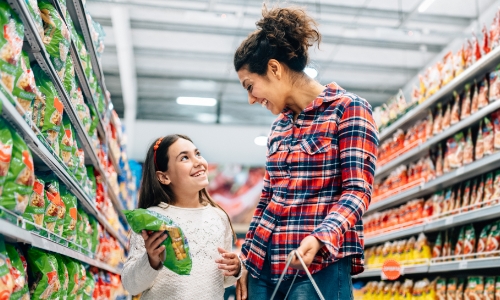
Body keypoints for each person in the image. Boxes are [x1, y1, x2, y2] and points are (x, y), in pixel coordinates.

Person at [233, 5, 379, 300]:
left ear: (274, 69)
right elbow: (267, 199)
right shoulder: (279, 127)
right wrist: (247, 261)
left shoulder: (348, 109)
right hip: (263, 270)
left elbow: (357, 190)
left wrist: (321, 236)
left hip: (317, 264)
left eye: (251, 86)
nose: (250, 99)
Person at [122, 134, 243, 299]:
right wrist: (150, 260)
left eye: (198, 154)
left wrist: (235, 268)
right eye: (184, 158)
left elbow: (222, 280)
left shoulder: (218, 217)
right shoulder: (152, 219)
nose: (198, 161)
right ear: (164, 177)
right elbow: (131, 286)